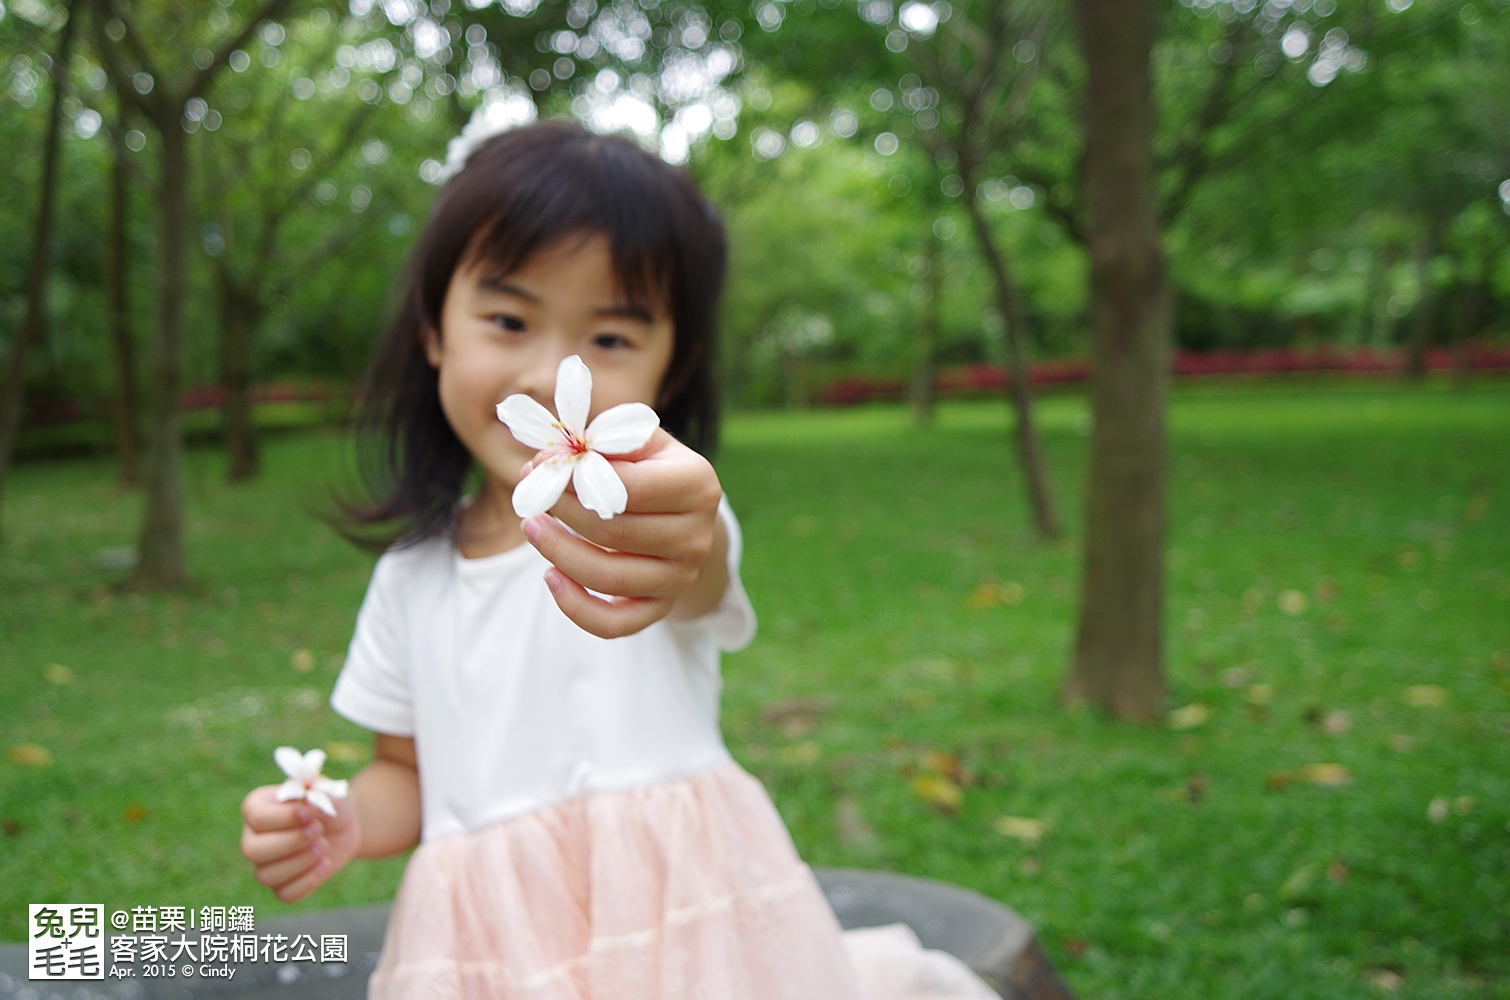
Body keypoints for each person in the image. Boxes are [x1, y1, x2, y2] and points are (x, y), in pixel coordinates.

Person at [238, 121, 999, 1000]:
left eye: (609, 339)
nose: (546, 373)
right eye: (508, 318)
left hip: (693, 923)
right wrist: (339, 819)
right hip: (499, 950)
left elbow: (695, 567)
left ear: (671, 371)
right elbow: (409, 777)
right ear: (434, 330)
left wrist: (691, 536)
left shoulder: (662, 523)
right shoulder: (409, 582)